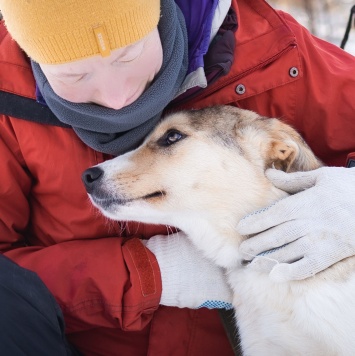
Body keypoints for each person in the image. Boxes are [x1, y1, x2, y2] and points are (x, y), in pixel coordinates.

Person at [0, 0, 354, 355]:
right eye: (74, 75)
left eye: (128, 54)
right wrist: (151, 273)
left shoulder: (271, 46)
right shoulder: (6, 94)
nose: (118, 98)